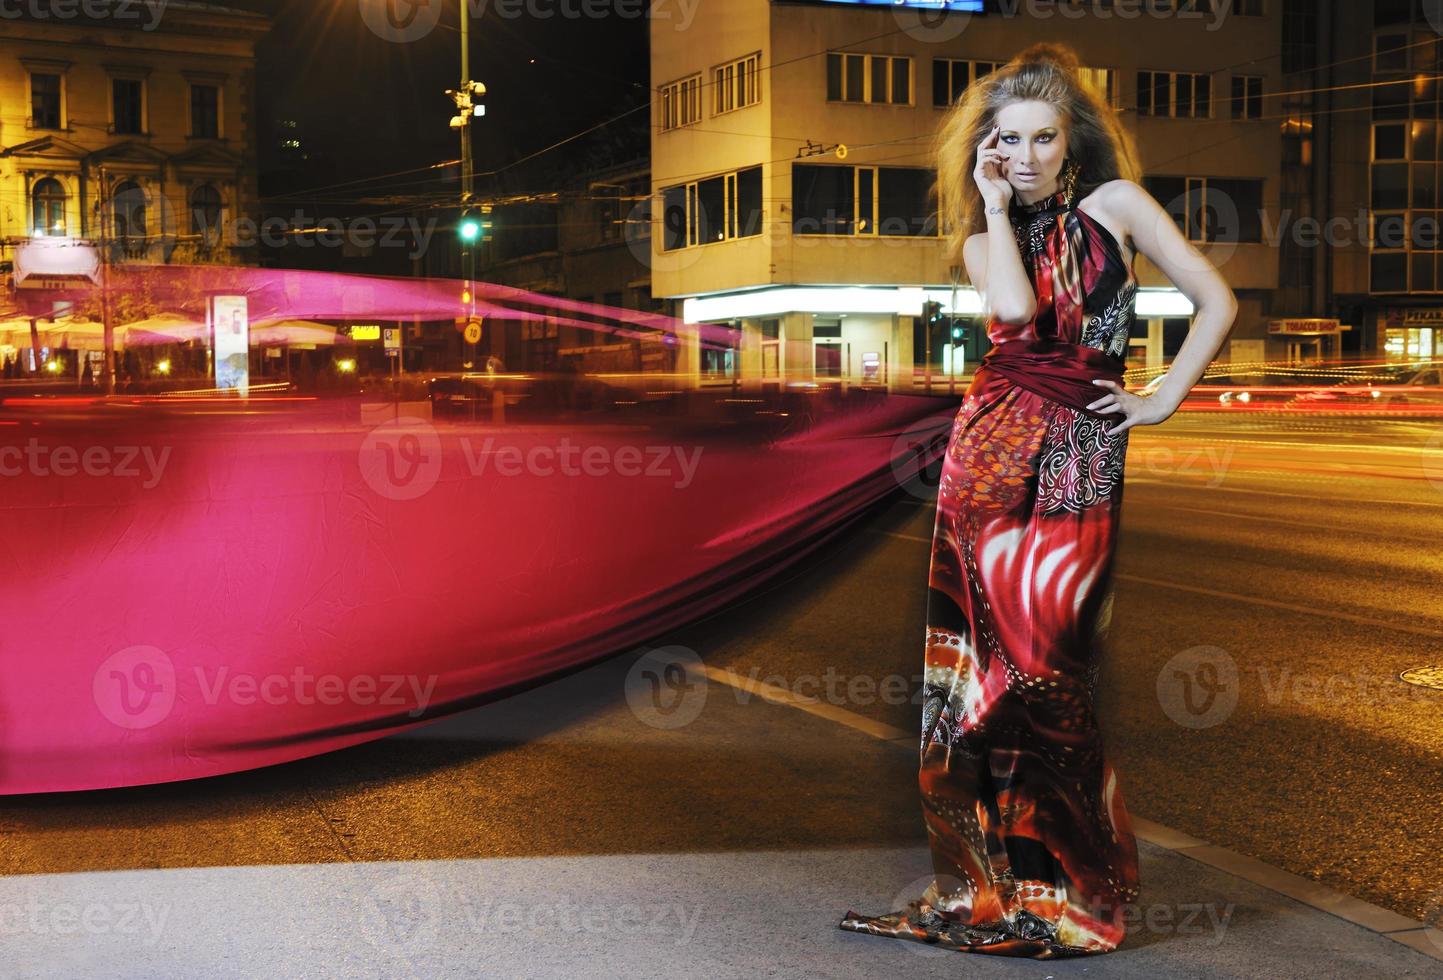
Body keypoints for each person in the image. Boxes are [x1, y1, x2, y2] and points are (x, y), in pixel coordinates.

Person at [838, 42, 1237, 957]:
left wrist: (1159, 399)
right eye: (1004, 140)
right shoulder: (984, 238)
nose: (1022, 156)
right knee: (979, 672)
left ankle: (1076, 888)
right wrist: (989, 206)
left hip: (1084, 449)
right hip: (988, 453)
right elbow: (1016, 317)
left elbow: (1214, 300)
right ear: (985, 150)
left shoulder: (1118, 206)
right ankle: (999, 883)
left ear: (1072, 141)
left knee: (1054, 670)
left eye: (1040, 137)